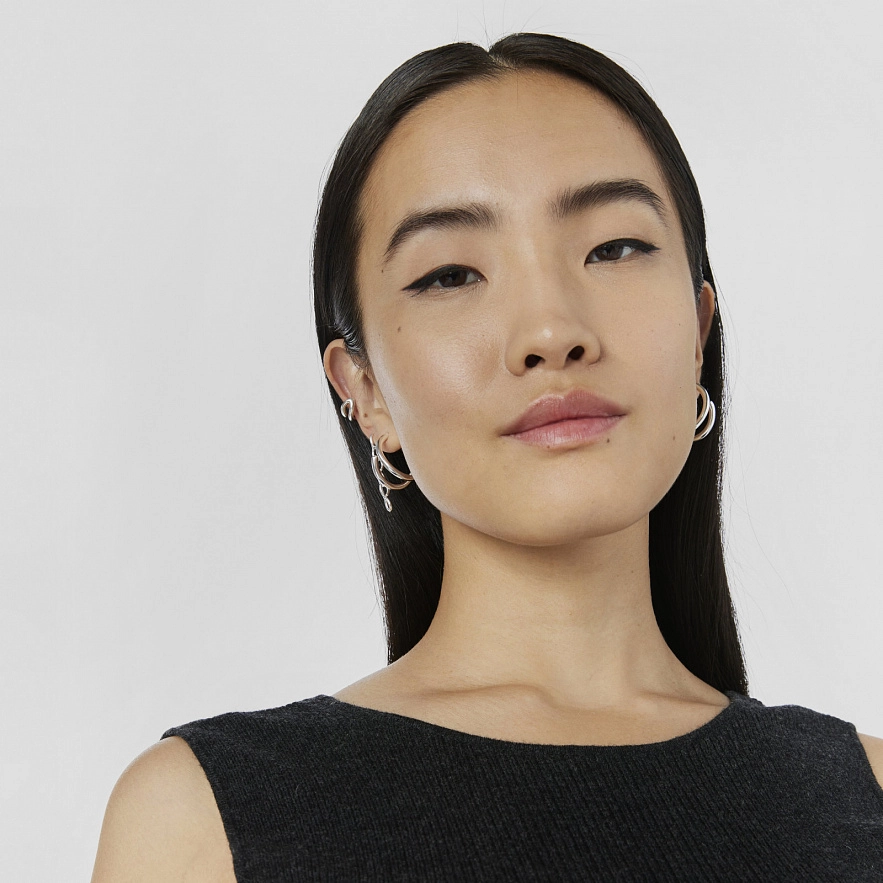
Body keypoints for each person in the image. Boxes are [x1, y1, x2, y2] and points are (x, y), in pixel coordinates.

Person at [91, 33, 883, 882]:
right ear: (364, 390)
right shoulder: (200, 820)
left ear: (697, 333)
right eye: (450, 275)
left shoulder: (862, 795)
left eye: (613, 247)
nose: (551, 331)